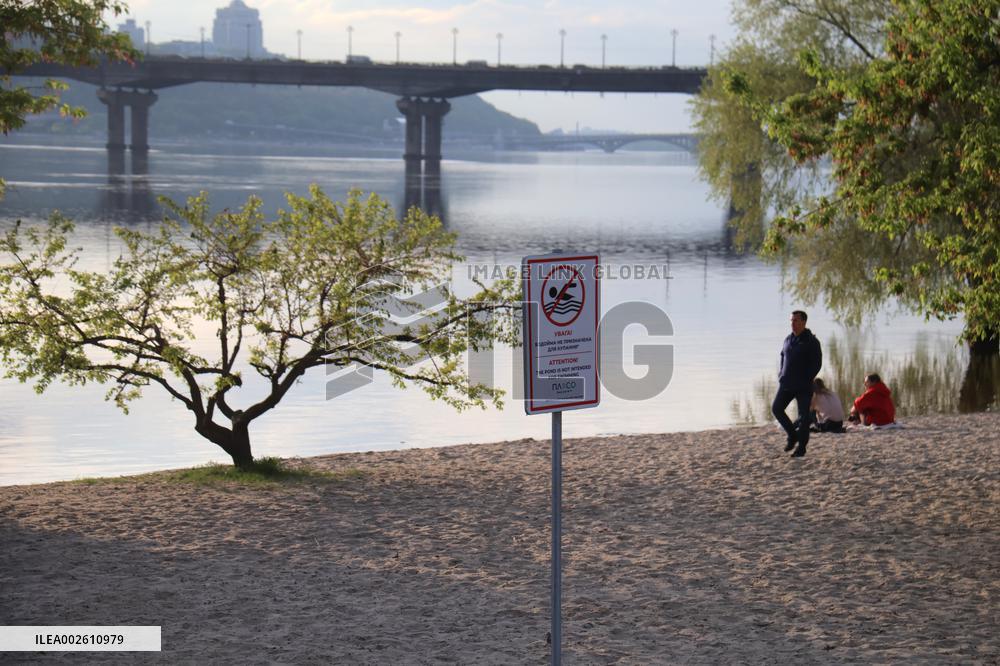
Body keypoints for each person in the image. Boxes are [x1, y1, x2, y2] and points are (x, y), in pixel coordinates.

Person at [772, 310, 823, 457]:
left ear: (803, 322)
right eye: (791, 320)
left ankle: (801, 448)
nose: (792, 323)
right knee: (776, 408)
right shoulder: (788, 339)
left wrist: (806, 378)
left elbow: (817, 364)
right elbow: (783, 356)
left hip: (803, 386)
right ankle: (792, 435)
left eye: (795, 320)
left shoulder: (811, 341)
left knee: (803, 417)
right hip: (786, 383)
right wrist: (781, 374)